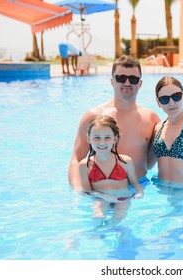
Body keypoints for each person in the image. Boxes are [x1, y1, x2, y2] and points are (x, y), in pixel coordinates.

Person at [68, 55, 160, 193]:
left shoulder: (151, 118)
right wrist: (78, 191)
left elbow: (163, 154)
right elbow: (76, 158)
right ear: (112, 81)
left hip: (140, 187)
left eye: (133, 79)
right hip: (101, 189)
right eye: (121, 78)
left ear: (140, 84)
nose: (127, 83)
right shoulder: (94, 116)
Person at [79, 115, 143, 226]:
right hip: (101, 197)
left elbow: (135, 184)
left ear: (115, 139)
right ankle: (97, 237)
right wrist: (105, 197)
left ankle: (119, 238)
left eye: (107, 137)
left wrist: (140, 192)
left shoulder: (125, 161)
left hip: (123, 197)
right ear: (89, 139)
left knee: (118, 218)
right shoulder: (85, 165)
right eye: (97, 138)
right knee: (98, 216)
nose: (102, 142)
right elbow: (87, 191)